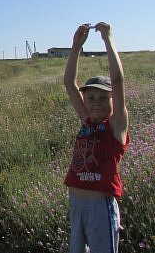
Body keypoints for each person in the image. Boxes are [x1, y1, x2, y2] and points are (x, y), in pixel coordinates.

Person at [63, 22, 129, 253]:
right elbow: (69, 84)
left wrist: (108, 40)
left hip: (100, 208)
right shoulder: (87, 121)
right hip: (76, 205)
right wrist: (75, 47)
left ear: (112, 100)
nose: (96, 102)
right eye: (90, 98)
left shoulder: (115, 127)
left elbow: (118, 82)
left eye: (103, 98)